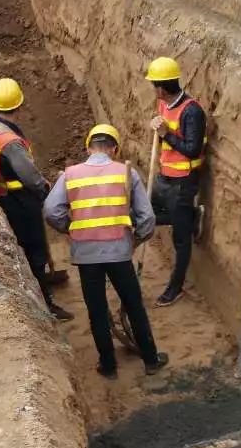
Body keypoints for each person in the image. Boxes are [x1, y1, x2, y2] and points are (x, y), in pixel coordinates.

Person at [44, 123, 167, 379]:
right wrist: (137, 239)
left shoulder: (70, 175)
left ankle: (108, 365)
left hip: (86, 255)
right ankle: (151, 360)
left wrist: (71, 228)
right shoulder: (125, 173)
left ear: (89, 147)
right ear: (114, 148)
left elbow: (51, 211)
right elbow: (147, 218)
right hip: (119, 252)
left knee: (97, 310)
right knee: (134, 306)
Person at [0, 78, 73, 322]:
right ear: (18, 105)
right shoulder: (12, 144)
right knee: (35, 249)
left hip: (5, 195)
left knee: (33, 246)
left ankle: (43, 281)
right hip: (19, 200)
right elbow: (30, 177)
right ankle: (46, 303)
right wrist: (47, 192)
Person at [146, 56, 207, 308]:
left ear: (160, 88)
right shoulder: (164, 105)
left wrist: (165, 134)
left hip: (183, 182)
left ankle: (176, 287)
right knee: (147, 215)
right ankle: (190, 217)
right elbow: (165, 139)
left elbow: (192, 149)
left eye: (153, 85)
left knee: (180, 238)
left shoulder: (192, 111)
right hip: (164, 177)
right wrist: (159, 131)